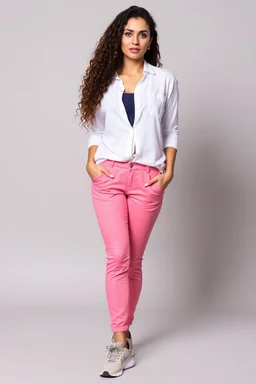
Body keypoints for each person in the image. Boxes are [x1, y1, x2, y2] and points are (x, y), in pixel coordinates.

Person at [77, 5, 179, 378]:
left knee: (133, 260)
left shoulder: (164, 80)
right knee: (117, 254)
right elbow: (98, 131)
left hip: (148, 178)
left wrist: (169, 170)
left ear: (151, 40)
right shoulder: (105, 80)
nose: (135, 41)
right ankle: (119, 341)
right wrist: (91, 160)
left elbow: (171, 129)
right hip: (109, 175)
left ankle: (124, 335)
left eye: (143, 34)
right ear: (118, 38)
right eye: (128, 33)